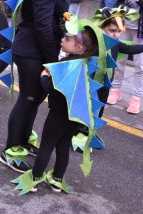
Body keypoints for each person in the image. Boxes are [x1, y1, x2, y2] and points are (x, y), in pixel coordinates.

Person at [1, 0, 80, 173]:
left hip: (36, 49)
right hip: (33, 51)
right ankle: (10, 149)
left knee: (33, 101)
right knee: (28, 100)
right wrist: (51, 58)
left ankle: (22, 141)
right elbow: (42, 23)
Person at [24, 28, 98, 194]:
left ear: (79, 47)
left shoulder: (67, 65)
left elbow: (52, 90)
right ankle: (57, 179)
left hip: (58, 113)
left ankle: (35, 179)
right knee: (63, 145)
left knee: (46, 145)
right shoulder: (85, 65)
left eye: (67, 39)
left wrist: (44, 77)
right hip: (73, 116)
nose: (62, 40)